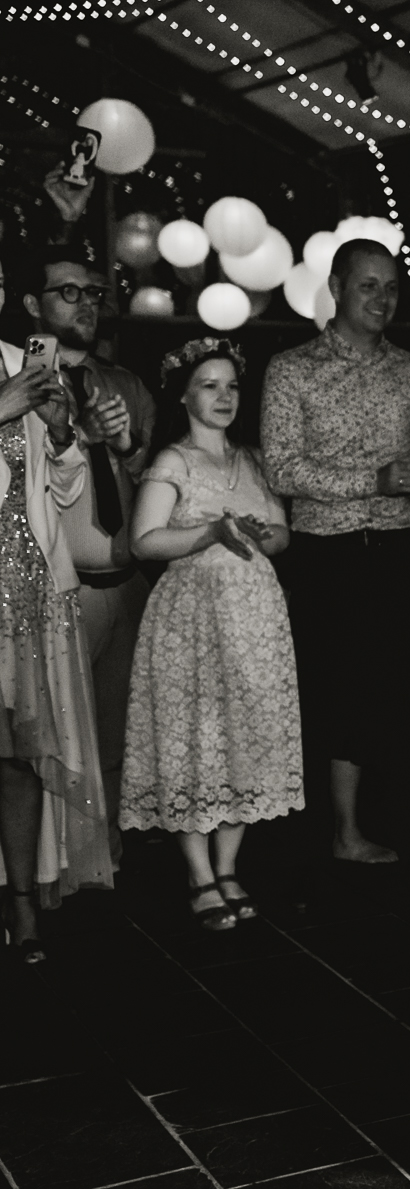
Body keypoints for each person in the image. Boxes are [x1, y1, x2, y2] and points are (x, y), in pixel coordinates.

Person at [260, 237, 410, 863]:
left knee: (401, 684)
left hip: (400, 547)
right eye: (369, 285)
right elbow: (282, 470)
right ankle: (343, 831)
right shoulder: (292, 369)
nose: (383, 299)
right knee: (341, 689)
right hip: (327, 552)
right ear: (336, 287)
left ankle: (407, 817)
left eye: (392, 287)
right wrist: (374, 480)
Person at [122, 338, 300, 932]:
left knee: (246, 735)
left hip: (253, 619)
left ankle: (228, 867)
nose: (223, 397)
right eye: (209, 385)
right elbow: (144, 540)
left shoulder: (251, 459)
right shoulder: (174, 461)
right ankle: (198, 874)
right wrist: (207, 534)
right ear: (185, 393)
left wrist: (262, 535)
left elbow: (280, 533)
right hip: (193, 620)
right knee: (196, 737)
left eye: (231, 386)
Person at [20, 243, 155, 845]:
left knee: (124, 725)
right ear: (31, 303)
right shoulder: (19, 384)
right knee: (62, 735)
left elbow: (155, 480)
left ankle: (118, 853)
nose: (86, 303)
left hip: (129, 579)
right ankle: (68, 858)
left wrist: (123, 447)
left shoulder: (125, 381)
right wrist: (78, 436)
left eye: (93, 292)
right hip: (58, 587)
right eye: (68, 291)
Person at [0, 263, 113, 961]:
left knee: (19, 758)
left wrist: (65, 434)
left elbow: (66, 493)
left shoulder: (24, 362)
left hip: (30, 589)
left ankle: (22, 902)